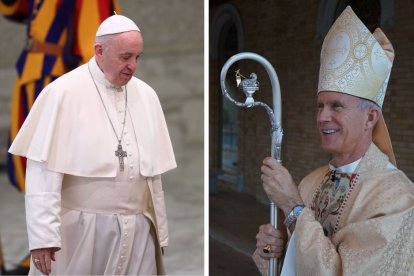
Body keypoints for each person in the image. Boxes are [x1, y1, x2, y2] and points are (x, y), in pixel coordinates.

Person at [8, 14, 176, 276]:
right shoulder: (62, 92)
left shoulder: (146, 95)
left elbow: (154, 177)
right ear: (99, 51)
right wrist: (43, 239)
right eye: (125, 57)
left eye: (137, 57)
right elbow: (43, 172)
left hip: (139, 232)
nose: (133, 66)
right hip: (80, 233)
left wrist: (160, 231)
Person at [254, 6, 414, 275]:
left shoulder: (396, 198)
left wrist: (294, 209)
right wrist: (272, 251)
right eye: (320, 106)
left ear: (370, 116)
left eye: (336, 106)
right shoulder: (310, 182)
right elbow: (285, 264)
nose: (322, 117)